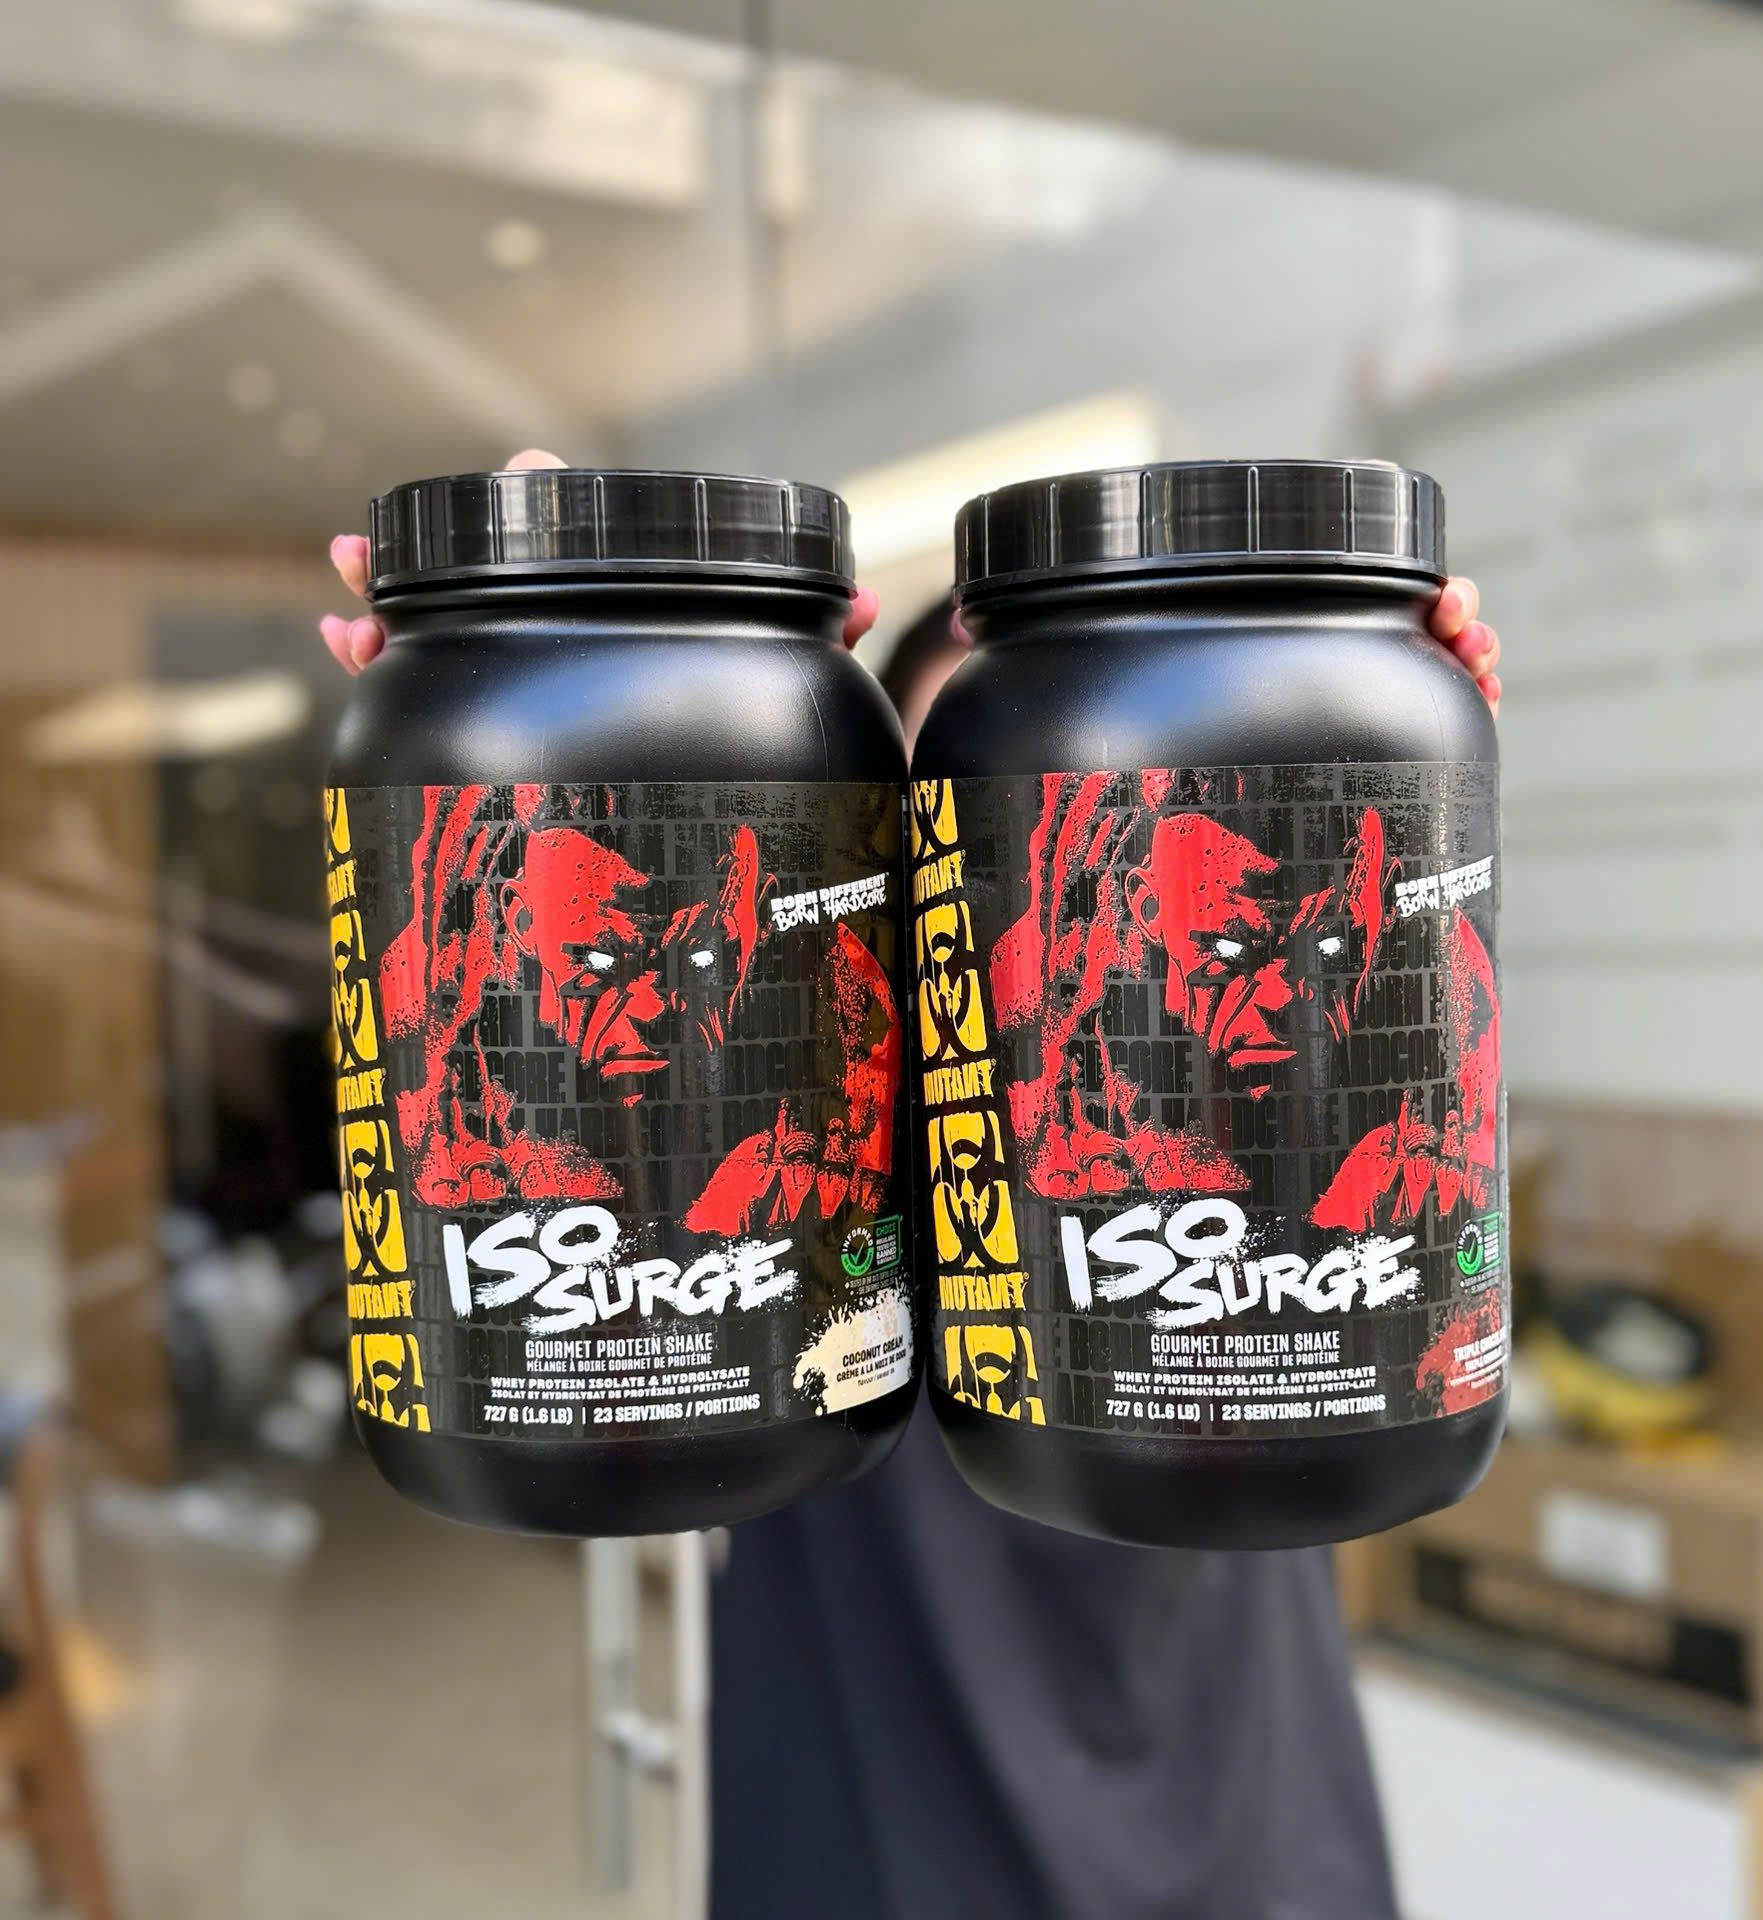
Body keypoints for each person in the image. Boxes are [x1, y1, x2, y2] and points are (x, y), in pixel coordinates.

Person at [322, 451, 1503, 1920]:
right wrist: (553, 652)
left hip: (1229, 1726)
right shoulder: (810, 1115)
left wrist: (1392, 734)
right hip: (860, 1720)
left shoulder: (1320, 1132)